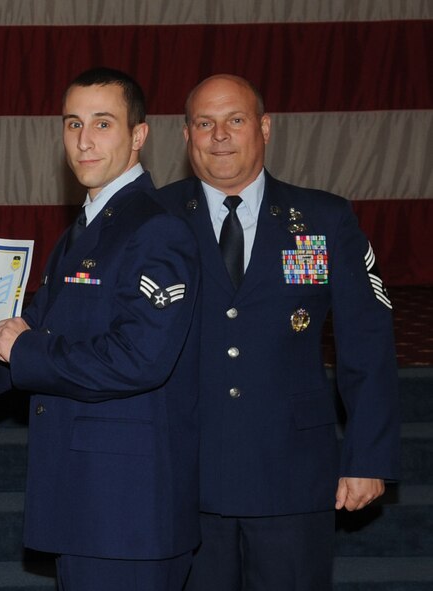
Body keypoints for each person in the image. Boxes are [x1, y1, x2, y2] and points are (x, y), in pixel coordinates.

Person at [0, 67, 201, 590]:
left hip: (127, 513)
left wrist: (28, 348)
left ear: (139, 136)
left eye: (103, 124)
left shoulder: (157, 229)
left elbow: (138, 357)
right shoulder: (83, 231)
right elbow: (26, 331)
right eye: (73, 124)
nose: (83, 141)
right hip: (85, 504)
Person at [151, 74, 401, 591]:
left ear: (263, 127)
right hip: (183, 474)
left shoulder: (323, 219)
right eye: (205, 123)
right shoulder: (154, 218)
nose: (220, 135)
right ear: (185, 136)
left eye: (235, 120)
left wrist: (367, 456)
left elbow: (367, 343)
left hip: (292, 474)